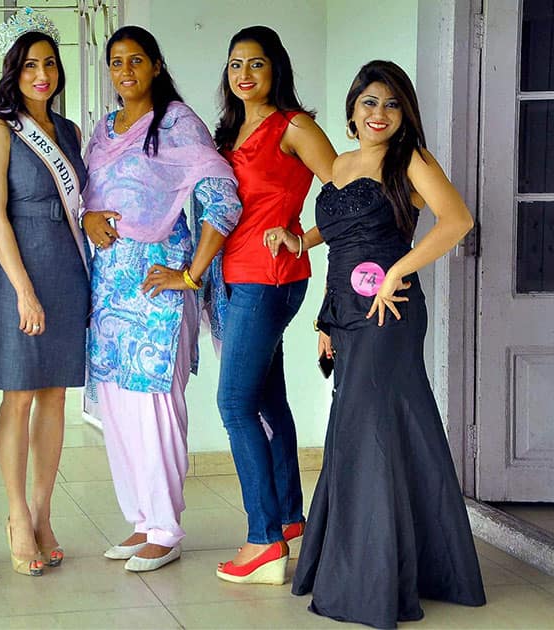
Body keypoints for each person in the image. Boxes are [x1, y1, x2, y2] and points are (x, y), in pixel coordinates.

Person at [291, 60, 486, 628]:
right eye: (370, 102)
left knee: (368, 435)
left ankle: (370, 582)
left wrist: (399, 270)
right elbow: (341, 232)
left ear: (405, 115)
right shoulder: (342, 163)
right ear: (352, 109)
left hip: (390, 310)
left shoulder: (413, 161)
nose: (379, 113)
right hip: (347, 314)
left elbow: (457, 221)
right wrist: (301, 246)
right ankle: (416, 565)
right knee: (369, 432)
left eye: (392, 104)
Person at [82, 25, 242, 573]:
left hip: (156, 292)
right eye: (116, 62)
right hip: (108, 292)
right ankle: (140, 520)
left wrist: (190, 274)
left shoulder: (178, 122)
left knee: (155, 407)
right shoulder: (103, 130)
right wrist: (86, 218)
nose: (125, 71)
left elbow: (221, 197)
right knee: (119, 408)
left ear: (154, 65)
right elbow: (85, 195)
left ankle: (166, 528)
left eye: (135, 61)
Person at [208, 26, 336, 585]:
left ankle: (262, 541)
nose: (244, 75)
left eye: (255, 64)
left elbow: (343, 189)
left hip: (269, 278)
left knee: (234, 403)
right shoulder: (233, 129)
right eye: (236, 64)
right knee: (267, 400)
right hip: (238, 277)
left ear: (275, 68)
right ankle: (288, 520)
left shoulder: (295, 127)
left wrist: (303, 237)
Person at [0, 8, 87, 576]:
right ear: (13, 72)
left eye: (48, 64)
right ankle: (17, 514)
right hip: (19, 269)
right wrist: (21, 290)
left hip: (67, 268)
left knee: (57, 394)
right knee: (19, 394)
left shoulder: (67, 131)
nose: (41, 74)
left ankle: (44, 511)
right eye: (29, 66)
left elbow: (82, 206)